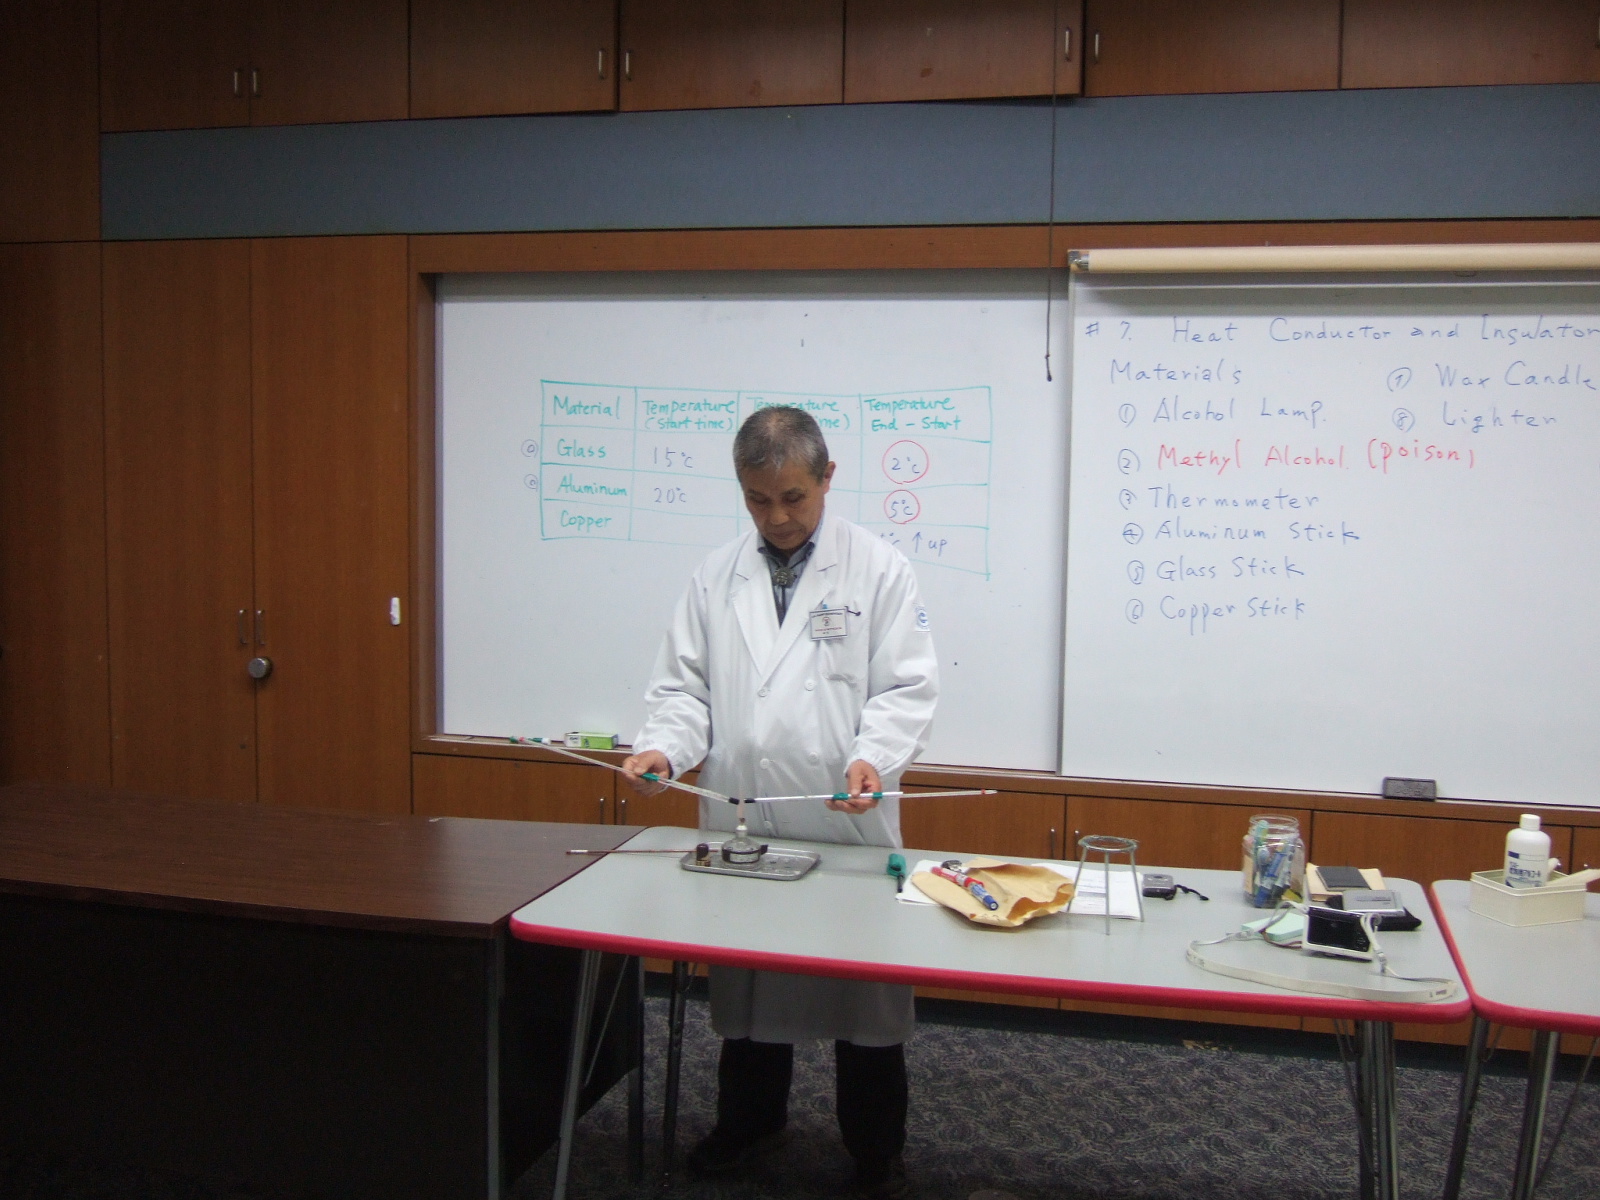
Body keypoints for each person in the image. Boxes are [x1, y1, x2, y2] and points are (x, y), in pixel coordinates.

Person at [622, 405, 938, 1199]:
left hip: (846, 824)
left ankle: (876, 1151)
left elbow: (905, 688)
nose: (778, 517)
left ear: (828, 478)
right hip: (747, 821)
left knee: (863, 1001)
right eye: (759, 500)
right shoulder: (715, 575)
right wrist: (665, 747)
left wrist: (873, 758)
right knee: (754, 988)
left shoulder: (878, 570)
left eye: (794, 497)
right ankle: (750, 1124)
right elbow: (684, 690)